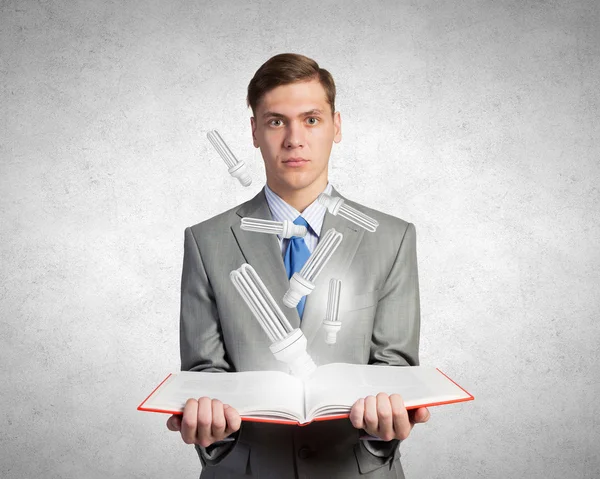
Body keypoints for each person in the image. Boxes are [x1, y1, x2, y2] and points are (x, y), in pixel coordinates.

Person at [166, 53, 430, 478]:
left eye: (311, 119)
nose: (294, 139)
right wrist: (209, 424)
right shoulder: (206, 241)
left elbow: (394, 369)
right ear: (254, 131)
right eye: (275, 121)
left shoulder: (392, 237)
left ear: (336, 126)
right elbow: (204, 376)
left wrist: (384, 426)